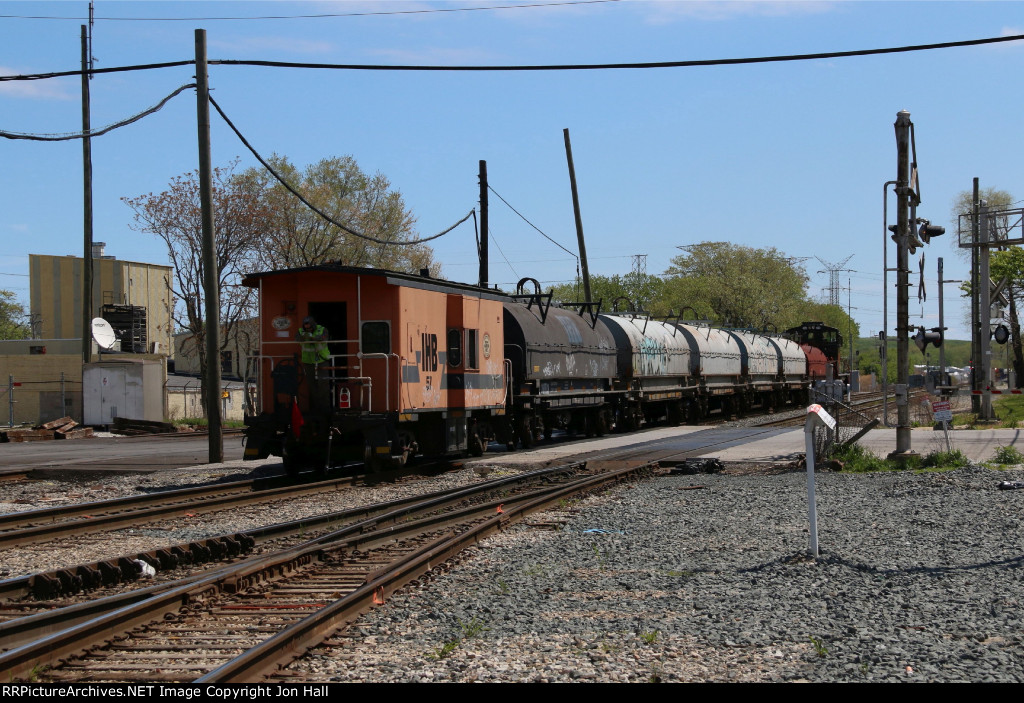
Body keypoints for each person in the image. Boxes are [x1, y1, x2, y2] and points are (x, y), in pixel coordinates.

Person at [296, 316, 330, 414]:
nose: (308, 329)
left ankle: (325, 407)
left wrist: (312, 337)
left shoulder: (322, 329)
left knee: (323, 383)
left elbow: (324, 338)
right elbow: (297, 338)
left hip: (322, 359)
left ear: (313, 325)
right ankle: (316, 407)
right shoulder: (300, 331)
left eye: (310, 327)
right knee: (311, 385)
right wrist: (305, 337)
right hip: (308, 361)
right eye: (306, 327)